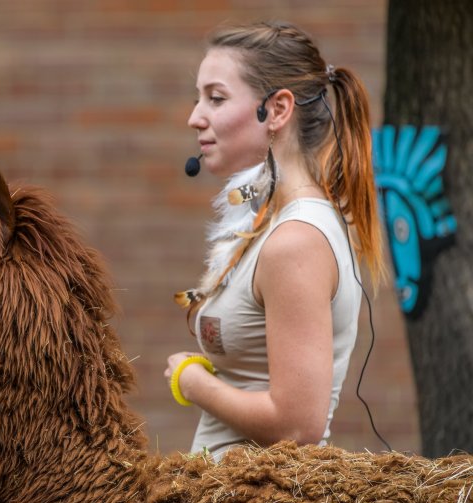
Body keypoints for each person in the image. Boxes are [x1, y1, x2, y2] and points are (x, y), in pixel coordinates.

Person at [164, 21, 384, 461]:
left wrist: (193, 383)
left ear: (278, 110)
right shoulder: (276, 223)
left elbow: (298, 424)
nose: (195, 117)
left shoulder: (296, 241)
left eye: (217, 98)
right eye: (198, 97)